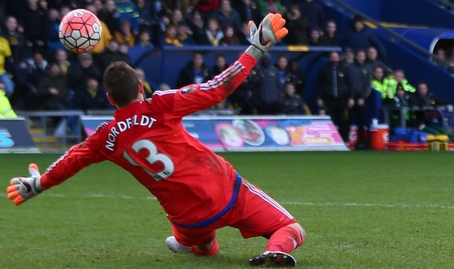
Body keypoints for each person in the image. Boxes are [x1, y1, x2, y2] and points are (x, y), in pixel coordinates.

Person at [6, 14, 305, 267]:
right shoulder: (160, 105)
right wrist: (255, 49)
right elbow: (218, 88)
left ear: (110, 98)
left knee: (197, 244)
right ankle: (275, 250)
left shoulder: (106, 137)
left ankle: (200, 243)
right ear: (140, 85)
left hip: (187, 219)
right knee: (290, 227)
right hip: (224, 192)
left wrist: (39, 183)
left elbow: (72, 159)